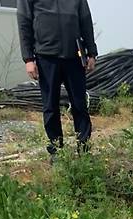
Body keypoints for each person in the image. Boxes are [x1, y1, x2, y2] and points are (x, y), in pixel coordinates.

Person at [16, 0, 97, 158]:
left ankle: (84, 151)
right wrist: (28, 59)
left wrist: (91, 52)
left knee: (80, 106)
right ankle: (56, 152)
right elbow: (24, 22)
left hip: (74, 56)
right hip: (46, 56)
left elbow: (86, 20)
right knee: (50, 107)